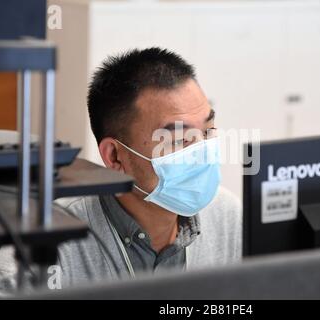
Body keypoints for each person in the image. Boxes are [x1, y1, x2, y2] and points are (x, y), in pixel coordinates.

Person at [55, 48, 242, 288]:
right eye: (178, 140)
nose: (201, 152)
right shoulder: (53, 245)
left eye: (207, 131)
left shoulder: (226, 215)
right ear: (115, 157)